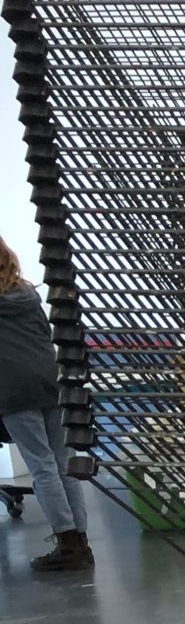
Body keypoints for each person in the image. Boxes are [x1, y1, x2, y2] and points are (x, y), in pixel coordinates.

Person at [0, 238, 90, 571]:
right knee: (64, 462)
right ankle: (80, 541)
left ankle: (66, 543)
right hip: (52, 381)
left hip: (14, 390)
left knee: (41, 466)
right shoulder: (28, 293)